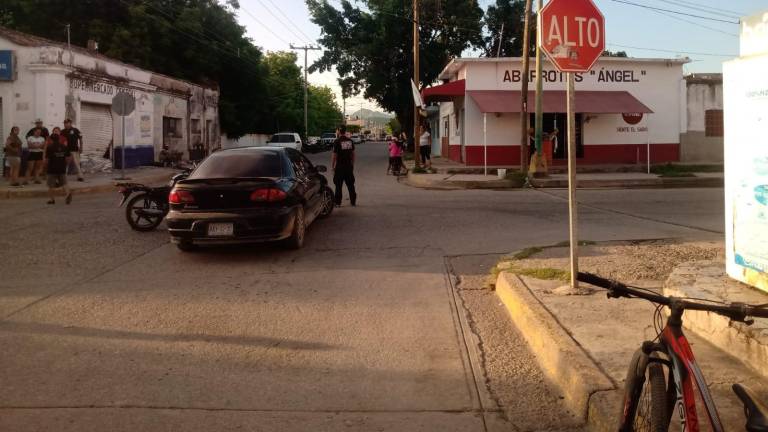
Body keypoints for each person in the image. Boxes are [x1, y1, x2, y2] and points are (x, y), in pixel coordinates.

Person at [44, 128, 72, 204]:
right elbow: (68, 157)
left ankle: (52, 200)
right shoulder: (64, 147)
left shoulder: (50, 147)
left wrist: (46, 166)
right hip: (62, 167)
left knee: (50, 185)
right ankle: (68, 193)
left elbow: (47, 159)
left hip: (52, 168)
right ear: (59, 139)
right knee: (64, 183)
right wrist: (65, 164)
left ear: (52, 140)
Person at [332, 125, 356, 207]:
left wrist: (333, 166)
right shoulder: (350, 141)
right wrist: (352, 164)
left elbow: (335, 155)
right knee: (350, 184)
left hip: (340, 166)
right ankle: (353, 201)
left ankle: (338, 202)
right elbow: (353, 154)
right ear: (345, 131)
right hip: (348, 166)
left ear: (339, 131)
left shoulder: (337, 141)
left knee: (338, 185)